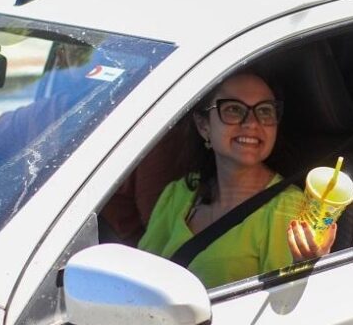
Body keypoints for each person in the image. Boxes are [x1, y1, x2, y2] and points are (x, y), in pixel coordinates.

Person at [137, 71, 336, 288]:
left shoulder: (289, 209)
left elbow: (281, 305)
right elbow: (141, 276)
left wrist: (304, 268)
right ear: (204, 126)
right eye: (233, 109)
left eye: (265, 111)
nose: (252, 122)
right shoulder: (180, 191)